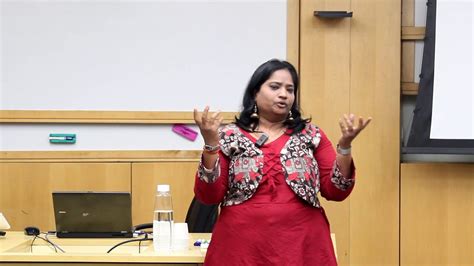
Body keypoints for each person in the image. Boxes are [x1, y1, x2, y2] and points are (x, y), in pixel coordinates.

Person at [193, 59, 371, 265]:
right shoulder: (229, 135)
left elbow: (336, 191)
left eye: (290, 89)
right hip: (240, 246)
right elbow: (208, 196)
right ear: (254, 93)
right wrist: (211, 143)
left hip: (302, 245)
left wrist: (345, 146)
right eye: (275, 87)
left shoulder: (311, 135)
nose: (284, 94)